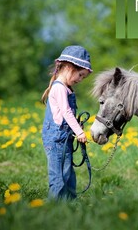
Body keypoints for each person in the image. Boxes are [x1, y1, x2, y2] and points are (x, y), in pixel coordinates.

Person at [41, 45, 92, 200]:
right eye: (80, 75)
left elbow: (68, 116)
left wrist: (76, 126)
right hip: (57, 139)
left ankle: (69, 205)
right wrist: (79, 132)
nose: (80, 80)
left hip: (65, 138)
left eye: (83, 77)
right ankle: (55, 207)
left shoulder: (66, 88)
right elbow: (66, 112)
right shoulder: (59, 88)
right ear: (70, 67)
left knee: (68, 173)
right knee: (59, 177)